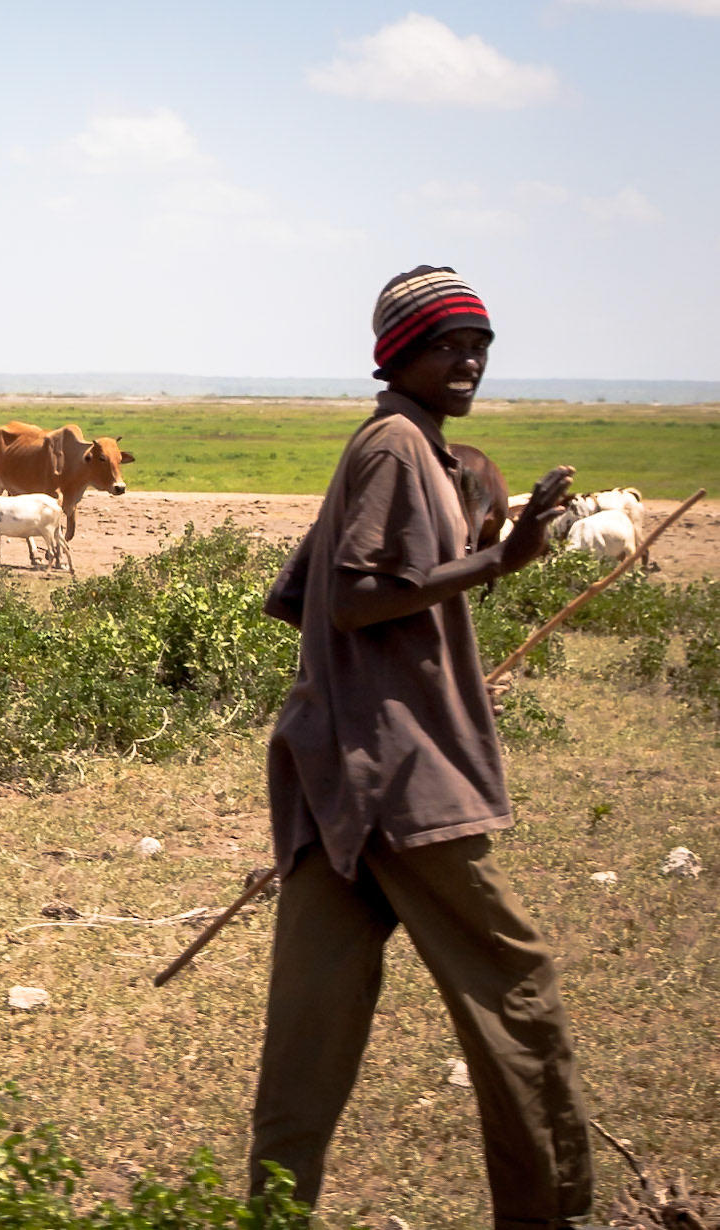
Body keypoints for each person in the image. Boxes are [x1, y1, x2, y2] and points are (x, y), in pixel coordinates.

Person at [249, 266, 596, 1229]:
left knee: (308, 1041)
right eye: (450, 345)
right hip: (401, 777)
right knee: (517, 989)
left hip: (334, 777)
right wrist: (497, 560)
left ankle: (270, 1217)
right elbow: (355, 598)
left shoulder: (395, 447)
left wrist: (425, 639)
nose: (470, 360)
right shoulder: (399, 447)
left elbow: (299, 599)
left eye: (481, 345)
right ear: (401, 353)